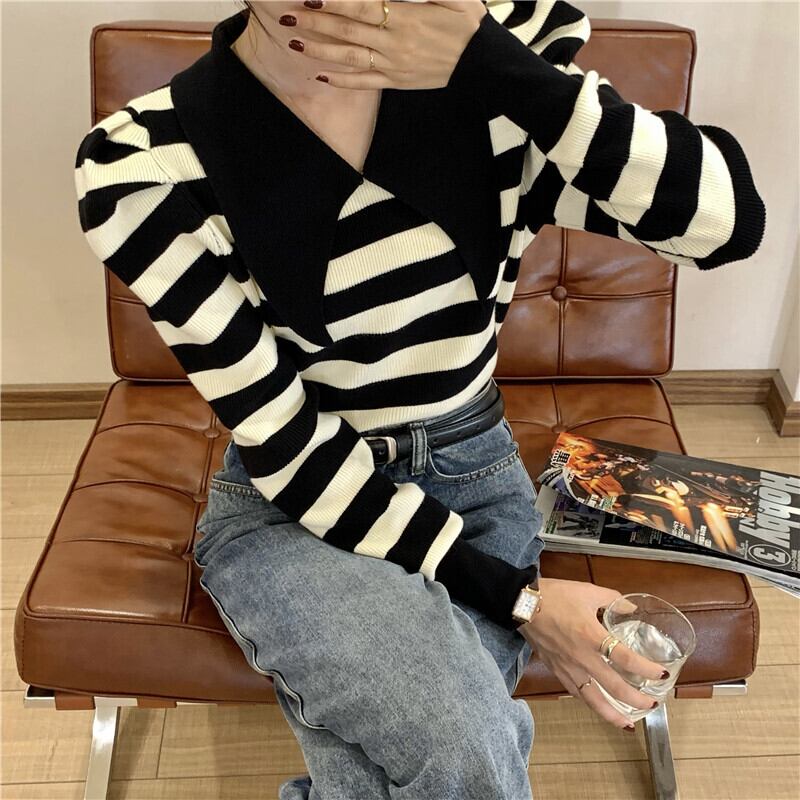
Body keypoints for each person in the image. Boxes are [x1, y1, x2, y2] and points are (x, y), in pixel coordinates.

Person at [73, 1, 766, 797]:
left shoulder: (498, 65)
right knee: (464, 737)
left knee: (433, 753)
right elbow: (290, 448)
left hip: (476, 482)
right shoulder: (143, 162)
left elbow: (725, 225)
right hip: (294, 506)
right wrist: (523, 602)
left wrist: (499, 67)